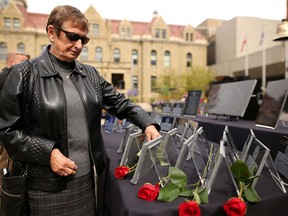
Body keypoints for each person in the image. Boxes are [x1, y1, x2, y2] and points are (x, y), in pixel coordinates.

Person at [0, 5, 160, 216]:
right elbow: (7, 130)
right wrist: (48, 153)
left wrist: (146, 122)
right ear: (51, 32)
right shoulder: (24, 74)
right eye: (72, 36)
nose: (78, 45)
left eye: (83, 40)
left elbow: (120, 103)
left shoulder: (90, 75)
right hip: (45, 186)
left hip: (88, 180)